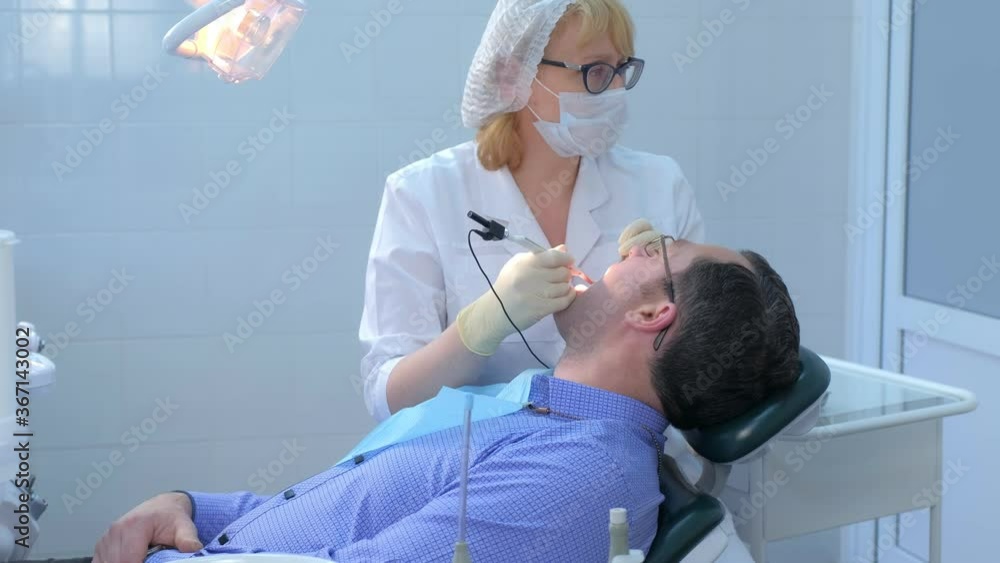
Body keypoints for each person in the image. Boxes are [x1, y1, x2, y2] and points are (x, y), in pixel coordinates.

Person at [86, 235, 799, 563]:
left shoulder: (579, 479)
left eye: (656, 247)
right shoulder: (536, 413)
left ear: (652, 315)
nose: (626, 247)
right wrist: (184, 506)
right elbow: (330, 511)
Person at [359, 0, 705, 423]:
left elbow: (704, 360)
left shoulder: (658, 184)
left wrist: (673, 287)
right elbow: (388, 399)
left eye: (621, 69)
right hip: (476, 469)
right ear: (513, 77)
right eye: (594, 71)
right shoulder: (423, 193)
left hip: (626, 454)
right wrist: (480, 328)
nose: (614, 91)